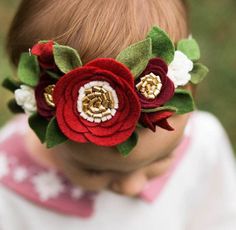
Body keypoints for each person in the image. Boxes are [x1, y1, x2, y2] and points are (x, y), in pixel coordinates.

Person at [0, 0, 236, 229]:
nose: (132, 188)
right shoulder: (9, 192)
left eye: (163, 158)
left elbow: (221, 217)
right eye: (93, 171)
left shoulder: (203, 144)